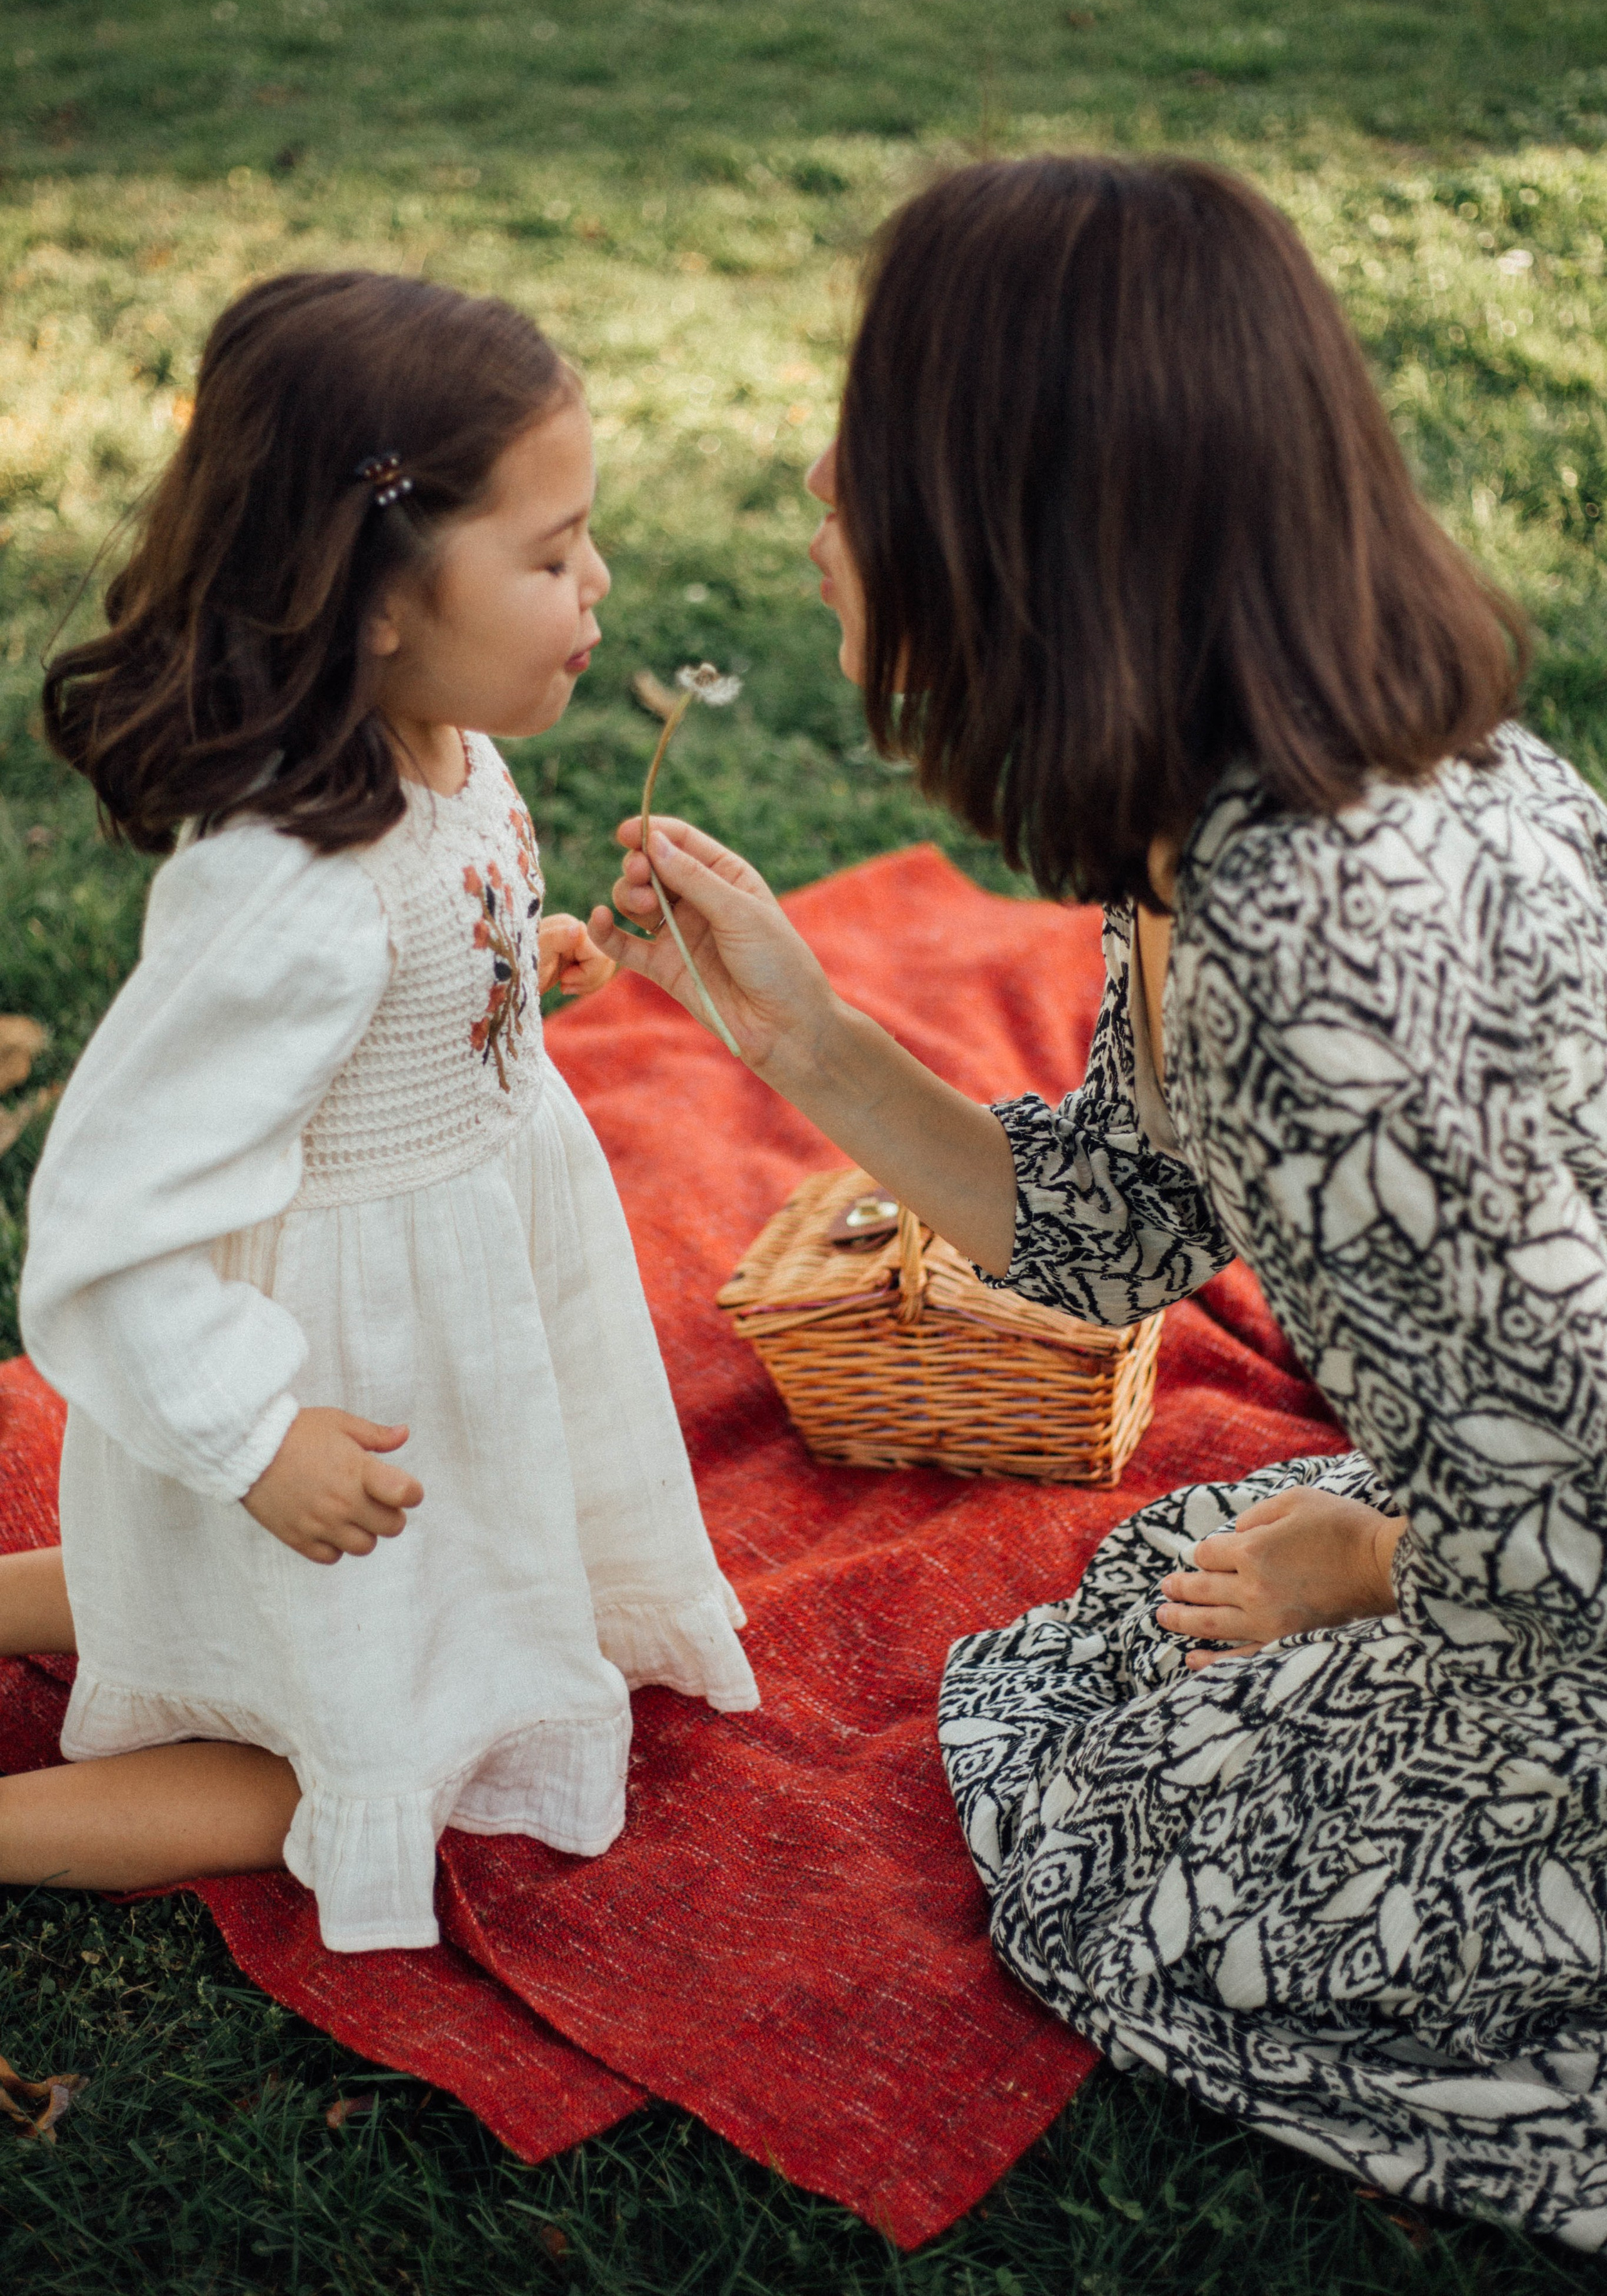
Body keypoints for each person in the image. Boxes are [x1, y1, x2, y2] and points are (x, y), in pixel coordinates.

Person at [586, 158, 1607, 2247]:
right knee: (1106, 1684)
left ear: (1022, 521)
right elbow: (1111, 1231)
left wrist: (1365, 1553)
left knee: (1116, 1877)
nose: (816, 476)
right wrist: (788, 1029)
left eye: (877, 436)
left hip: (1560, 1581)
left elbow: (1575, 1497)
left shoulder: (1327, 978)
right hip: (1517, 1522)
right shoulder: (1236, 809)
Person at [3, 270, 756, 1954]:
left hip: (453, 1294)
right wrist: (260, 1436)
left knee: (219, 1580)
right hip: (340, 1375)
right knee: (353, 1743)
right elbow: (110, 1222)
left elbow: (409, 984)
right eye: (551, 553)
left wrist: (514, 969)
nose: (600, 585)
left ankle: (87, 1601)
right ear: (376, 603)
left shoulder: (438, 746)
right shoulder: (292, 893)